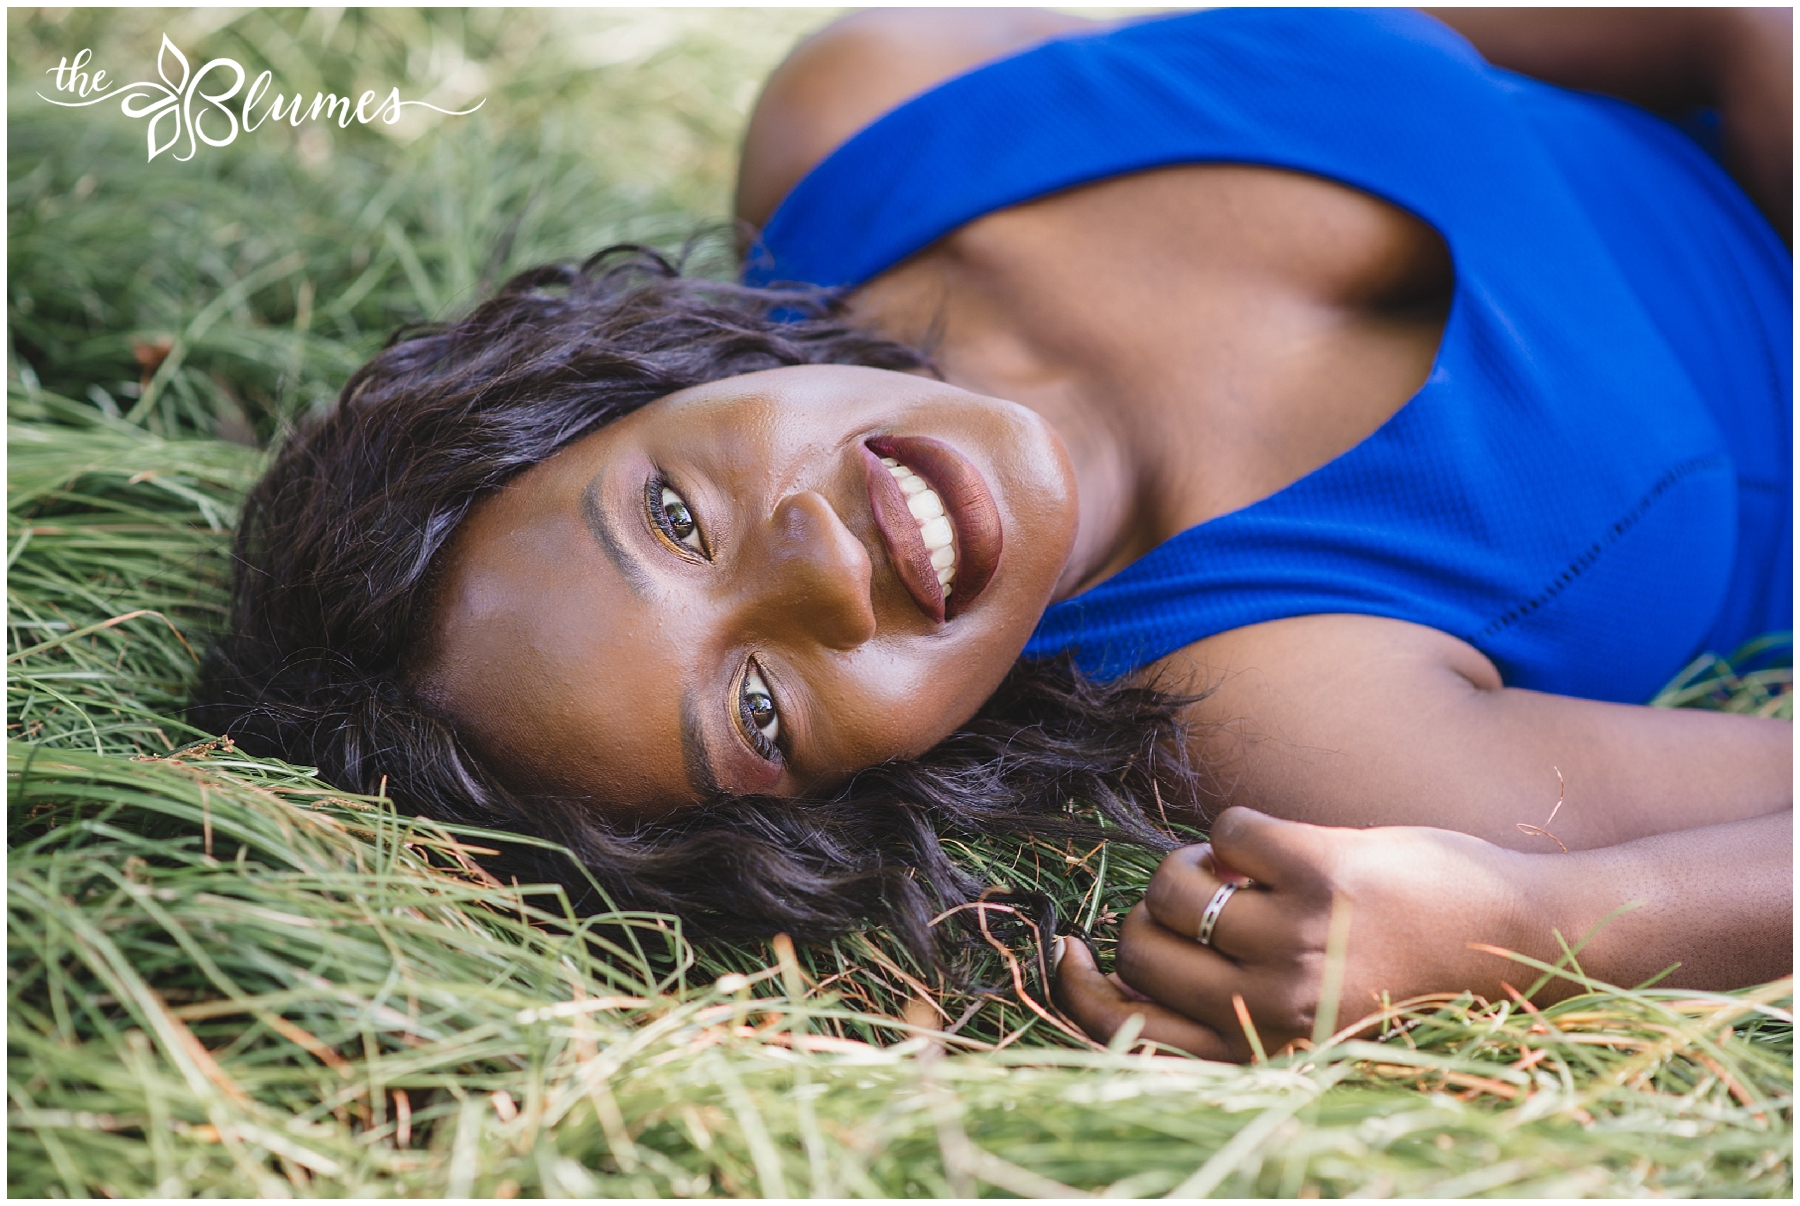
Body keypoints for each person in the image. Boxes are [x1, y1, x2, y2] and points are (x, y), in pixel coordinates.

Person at [195, 8, 1791, 1061]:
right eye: (757, 706)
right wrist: (1541, 927)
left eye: (675, 514)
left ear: (621, 384)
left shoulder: (875, 109)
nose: (822, 573)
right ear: (835, 802)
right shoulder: (1287, 714)